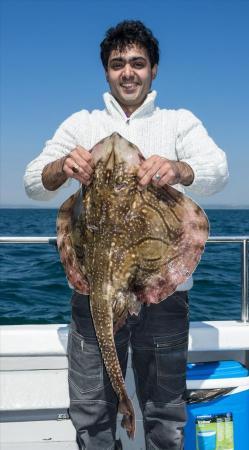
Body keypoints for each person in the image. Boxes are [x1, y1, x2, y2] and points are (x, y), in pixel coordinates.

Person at [24, 20, 229, 450]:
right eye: (118, 64)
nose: (128, 72)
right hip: (94, 290)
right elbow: (32, 182)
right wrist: (63, 166)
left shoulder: (178, 122)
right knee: (91, 413)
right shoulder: (82, 123)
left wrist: (179, 169)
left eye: (138, 63)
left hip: (161, 293)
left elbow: (218, 171)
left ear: (154, 70)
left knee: (166, 413)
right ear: (106, 72)